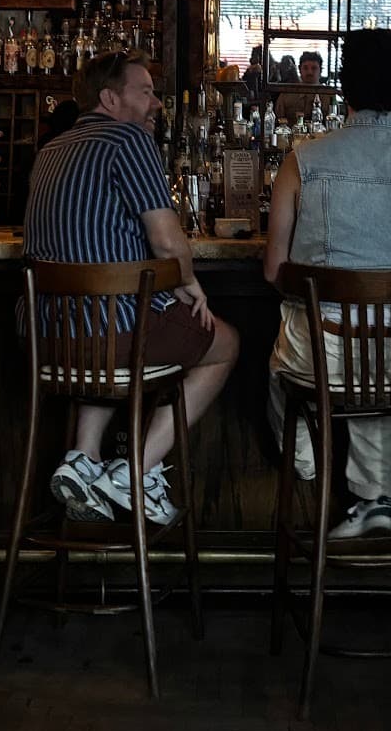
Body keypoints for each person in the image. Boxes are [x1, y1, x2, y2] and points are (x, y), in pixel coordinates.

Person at [263, 29, 391, 539]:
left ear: (343, 86)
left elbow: (273, 271)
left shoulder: (303, 160)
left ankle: (307, 459)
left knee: (322, 354)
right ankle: (375, 497)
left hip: (322, 360)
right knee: (379, 357)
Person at [24, 51, 241, 525]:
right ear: (109, 97)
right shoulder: (128, 140)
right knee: (224, 343)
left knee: (110, 333)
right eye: (145, 92)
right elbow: (167, 241)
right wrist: (188, 283)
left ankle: (82, 459)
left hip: (51, 340)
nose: (157, 105)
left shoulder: (51, 148)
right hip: (111, 338)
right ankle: (133, 474)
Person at [275, 48, 335, 123]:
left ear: (320, 71)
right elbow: (277, 121)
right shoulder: (287, 93)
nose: (309, 72)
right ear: (300, 69)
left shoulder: (329, 96)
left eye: (314, 68)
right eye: (305, 68)